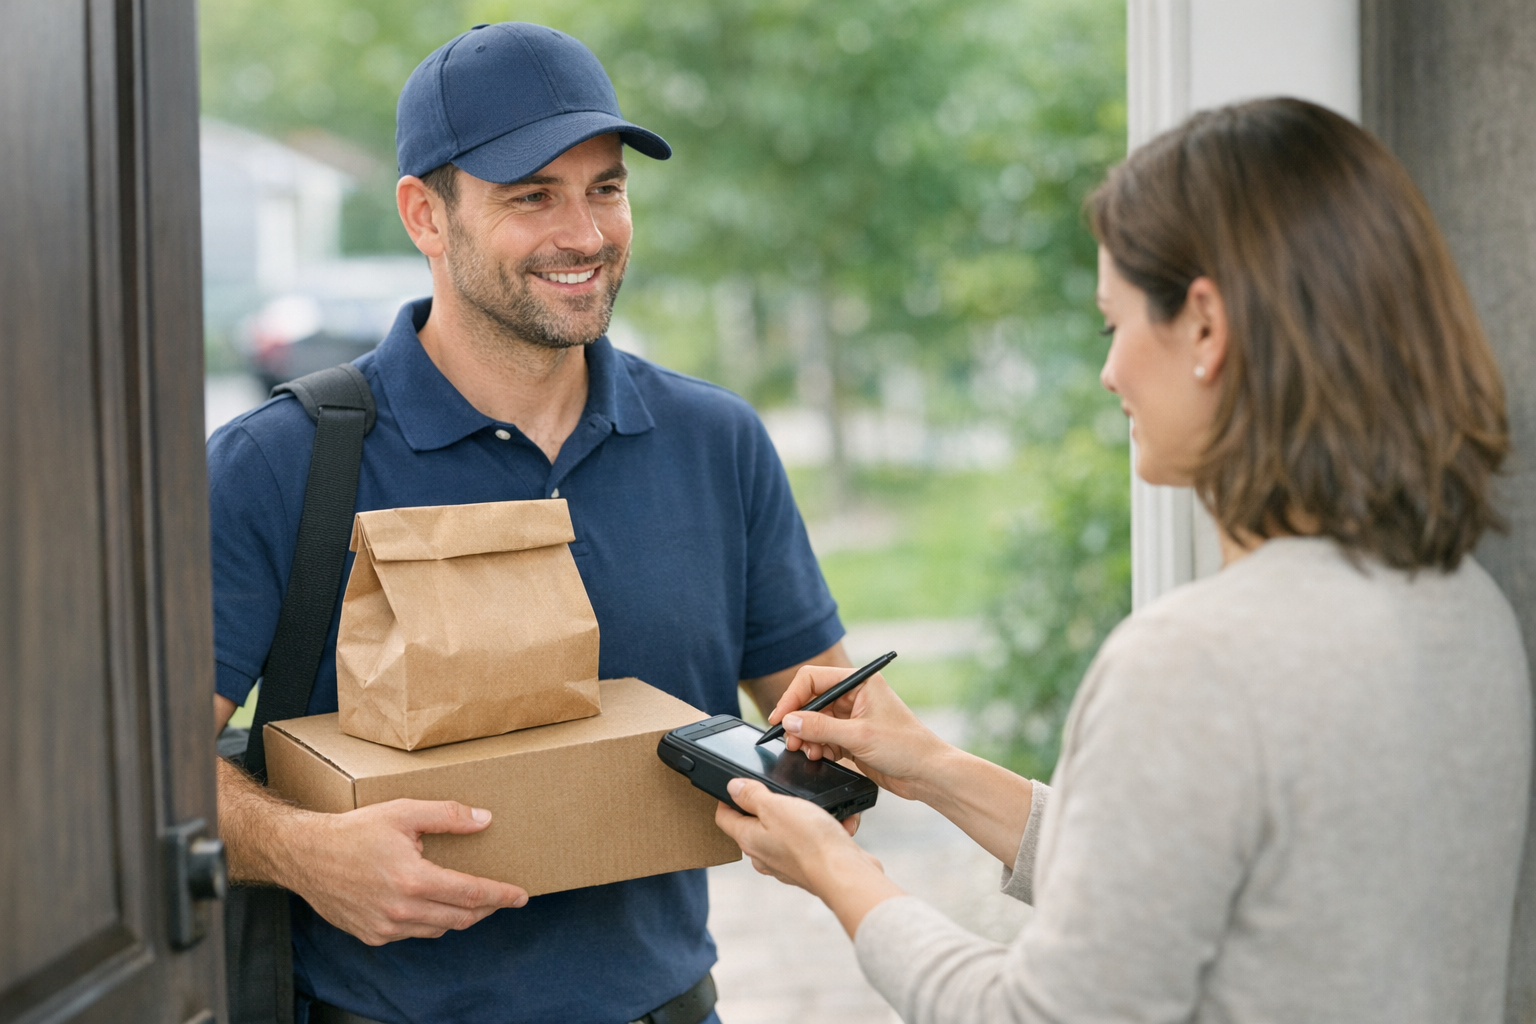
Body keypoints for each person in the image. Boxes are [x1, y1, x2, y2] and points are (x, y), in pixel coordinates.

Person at [714, 97, 1533, 1023]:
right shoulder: (1464, 605)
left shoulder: (1195, 664)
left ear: (1206, 326)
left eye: (1115, 325)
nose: (1110, 373)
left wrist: (839, 872)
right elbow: (1180, 889)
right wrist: (934, 767)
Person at [208, 22, 849, 1024]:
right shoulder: (281, 464)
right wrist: (303, 851)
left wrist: (848, 774)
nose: (586, 235)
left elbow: (830, 716)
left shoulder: (714, 441)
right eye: (532, 195)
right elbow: (141, 771)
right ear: (425, 215)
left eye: (606, 188)